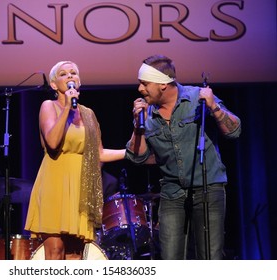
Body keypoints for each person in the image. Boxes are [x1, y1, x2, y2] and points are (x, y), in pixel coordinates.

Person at [125, 54, 241, 260]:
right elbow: (138, 158)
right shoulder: (147, 116)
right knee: (171, 260)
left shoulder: (197, 98)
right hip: (172, 194)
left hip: (208, 189)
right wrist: (137, 126)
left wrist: (213, 106)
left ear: (162, 85)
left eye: (144, 83)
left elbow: (234, 131)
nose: (140, 89)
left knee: (210, 257)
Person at [24, 61, 125, 260]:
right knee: (55, 252)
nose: (70, 76)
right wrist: (67, 110)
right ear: (54, 85)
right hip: (55, 183)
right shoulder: (49, 106)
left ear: (79, 81)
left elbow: (99, 154)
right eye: (63, 74)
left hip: (80, 188)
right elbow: (52, 142)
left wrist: (130, 152)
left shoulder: (88, 114)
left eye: (74, 73)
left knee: (75, 255)